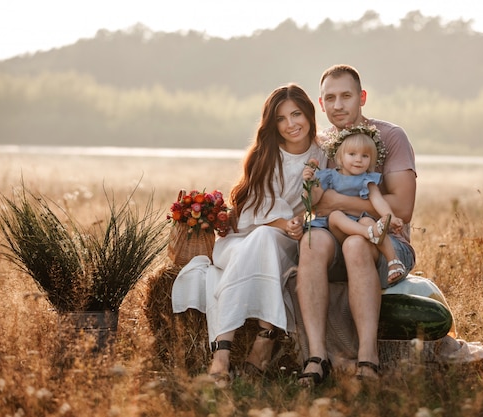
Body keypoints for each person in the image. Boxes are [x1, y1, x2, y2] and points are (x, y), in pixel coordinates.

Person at [171, 83, 327, 386]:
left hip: (290, 242)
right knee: (262, 239)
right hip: (242, 239)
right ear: (272, 123)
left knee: (268, 243)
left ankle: (223, 350)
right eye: (281, 118)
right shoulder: (265, 154)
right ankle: (261, 337)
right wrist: (284, 224)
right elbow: (254, 213)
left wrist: (300, 222)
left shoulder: (323, 155)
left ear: (309, 113)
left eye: (296, 114)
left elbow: (322, 201)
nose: (290, 124)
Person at [295, 64, 417, 385]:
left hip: (386, 244)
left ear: (361, 97)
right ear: (321, 104)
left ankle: (368, 357)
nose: (338, 105)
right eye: (330, 98)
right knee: (311, 242)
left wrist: (338, 201)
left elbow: (402, 206)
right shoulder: (319, 144)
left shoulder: (390, 136)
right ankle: (317, 356)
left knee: (355, 243)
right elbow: (312, 202)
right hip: (334, 236)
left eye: (346, 96)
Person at [302, 125, 408, 286]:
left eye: (364, 156)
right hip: (338, 227)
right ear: (340, 157)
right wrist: (309, 183)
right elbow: (313, 201)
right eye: (352, 154)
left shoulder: (368, 179)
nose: (358, 159)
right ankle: (369, 232)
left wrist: (390, 217)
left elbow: (378, 200)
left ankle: (394, 262)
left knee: (369, 221)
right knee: (336, 215)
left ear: (371, 160)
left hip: (359, 224)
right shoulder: (329, 176)